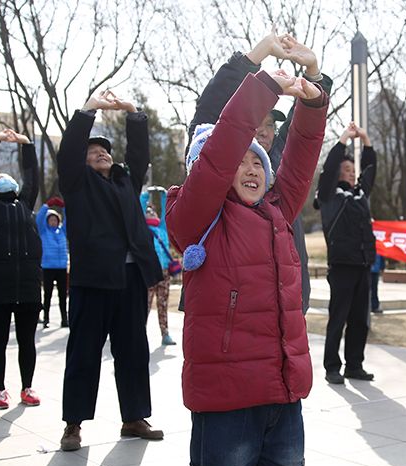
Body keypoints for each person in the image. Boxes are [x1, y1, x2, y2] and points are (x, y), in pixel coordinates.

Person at [167, 66, 328, 466]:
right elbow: (217, 158)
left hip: (282, 396)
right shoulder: (195, 213)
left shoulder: (277, 213)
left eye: (260, 161)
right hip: (226, 402)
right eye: (242, 160)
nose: (254, 169)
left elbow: (300, 159)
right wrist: (263, 86)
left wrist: (313, 104)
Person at [189, 32, 334, 314]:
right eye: (258, 121)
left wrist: (313, 74)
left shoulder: (281, 165)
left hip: (285, 301)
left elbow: (305, 130)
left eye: (271, 124)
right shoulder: (216, 167)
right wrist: (255, 56)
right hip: (227, 308)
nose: (264, 130)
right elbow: (207, 114)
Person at [57, 90, 164, 449]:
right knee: (84, 351)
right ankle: (73, 423)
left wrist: (134, 112)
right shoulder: (76, 183)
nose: (100, 152)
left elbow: (139, 154)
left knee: (133, 349)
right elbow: (69, 150)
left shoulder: (124, 181)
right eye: (92, 150)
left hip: (131, 277)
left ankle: (133, 418)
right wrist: (88, 110)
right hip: (93, 279)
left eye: (104, 149)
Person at [0, 129, 43, 409]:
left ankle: (27, 387)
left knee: (27, 341)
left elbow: (33, 177)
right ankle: (0, 389)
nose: (4, 182)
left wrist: (26, 144)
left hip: (27, 287)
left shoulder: (25, 205)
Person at [317, 122, 377, 385]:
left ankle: (355, 365)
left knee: (359, 320)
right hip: (341, 265)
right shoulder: (331, 196)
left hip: (363, 264)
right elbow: (329, 168)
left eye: (354, 170)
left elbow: (371, 171)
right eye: (347, 169)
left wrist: (365, 140)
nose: (352, 174)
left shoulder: (360, 194)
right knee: (338, 317)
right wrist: (343, 139)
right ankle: (332, 367)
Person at [143, 200, 176, 346]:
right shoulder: (142, 229)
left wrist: (162, 196)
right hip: (148, 272)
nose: (151, 213)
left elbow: (164, 215)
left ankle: (165, 333)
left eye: (153, 211)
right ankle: (139, 333)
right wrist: (145, 196)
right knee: (145, 304)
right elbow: (138, 210)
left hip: (164, 273)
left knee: (163, 304)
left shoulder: (162, 229)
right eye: (148, 211)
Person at [36, 197, 68, 328]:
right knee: (47, 294)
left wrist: (65, 207)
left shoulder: (62, 231)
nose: (53, 222)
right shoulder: (43, 232)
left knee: (62, 296)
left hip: (61, 267)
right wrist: (47, 206)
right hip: (48, 267)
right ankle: (46, 318)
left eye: (55, 219)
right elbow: (39, 219)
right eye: (51, 220)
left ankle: (64, 319)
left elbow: (70, 218)